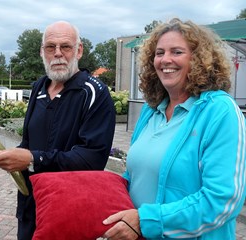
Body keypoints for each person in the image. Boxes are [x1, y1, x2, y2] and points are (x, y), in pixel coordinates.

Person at [102, 18, 246, 239]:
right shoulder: (151, 110)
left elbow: (223, 200)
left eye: (177, 52)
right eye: (159, 53)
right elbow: (134, 176)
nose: (165, 60)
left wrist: (146, 221)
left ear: (199, 60)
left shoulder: (220, 111)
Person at [0, 20, 116, 240]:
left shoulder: (94, 93)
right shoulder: (38, 87)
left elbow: (91, 160)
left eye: (65, 46)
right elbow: (28, 143)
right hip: (31, 208)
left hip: (69, 214)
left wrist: (32, 159)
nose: (58, 54)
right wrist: (13, 158)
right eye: (50, 47)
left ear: (79, 50)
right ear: (42, 52)